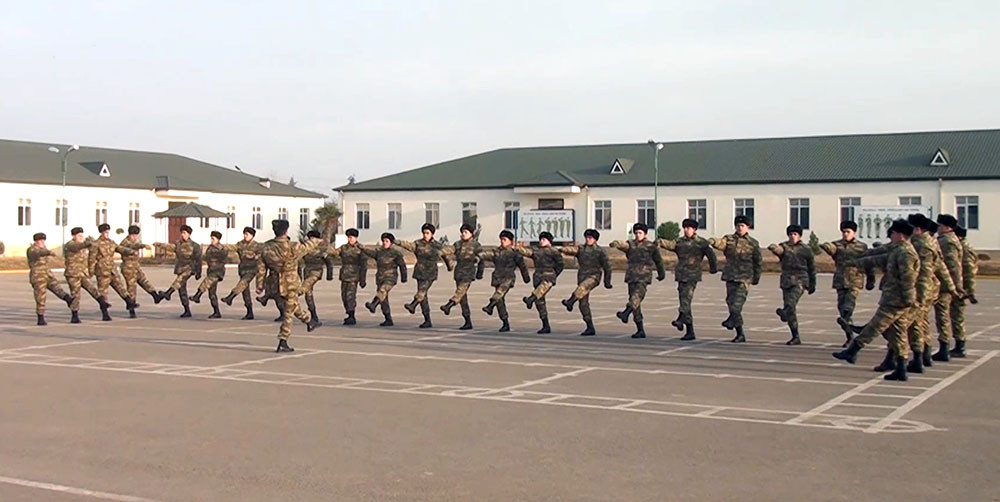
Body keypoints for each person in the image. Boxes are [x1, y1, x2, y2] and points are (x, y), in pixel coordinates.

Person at [833, 220, 919, 381]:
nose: (890, 236)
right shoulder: (898, 249)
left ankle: (853, 350)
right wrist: (857, 261)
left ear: (900, 234)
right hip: (895, 298)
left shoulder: (905, 253)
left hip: (896, 300)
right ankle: (901, 368)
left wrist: (908, 299)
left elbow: (908, 278)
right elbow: (879, 258)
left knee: (875, 326)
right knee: (898, 333)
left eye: (892, 233)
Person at [256, 220, 322, 352]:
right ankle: (283, 340)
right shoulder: (292, 246)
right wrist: (316, 241)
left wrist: (260, 284)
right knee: (288, 312)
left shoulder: (265, 247)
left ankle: (309, 321)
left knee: (291, 306)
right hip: (290, 282)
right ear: (286, 231)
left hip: (275, 283)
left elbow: (261, 268)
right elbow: (307, 247)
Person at [658, 219, 718, 340]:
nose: (686, 230)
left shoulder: (701, 242)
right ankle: (689, 331)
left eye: (689, 228)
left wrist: (713, 268)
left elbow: (711, 255)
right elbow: (671, 245)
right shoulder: (680, 242)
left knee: (686, 299)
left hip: (692, 275)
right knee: (684, 302)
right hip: (681, 275)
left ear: (694, 229)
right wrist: (660, 241)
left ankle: (681, 319)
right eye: (685, 228)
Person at [710, 215, 763, 343]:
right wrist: (713, 241)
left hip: (744, 278)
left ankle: (732, 322)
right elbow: (721, 244)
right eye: (738, 226)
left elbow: (758, 261)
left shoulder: (753, 243)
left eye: (742, 226)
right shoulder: (729, 239)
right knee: (730, 302)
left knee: (737, 304)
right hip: (731, 276)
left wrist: (756, 277)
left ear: (748, 227)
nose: (740, 228)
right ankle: (740, 334)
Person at [822, 221, 876, 345]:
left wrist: (871, 280)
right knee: (841, 309)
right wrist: (825, 246)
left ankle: (848, 322)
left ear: (854, 232)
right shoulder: (837, 245)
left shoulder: (861, 247)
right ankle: (850, 335)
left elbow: (868, 264)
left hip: (855, 279)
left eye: (848, 232)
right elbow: (829, 248)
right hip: (841, 280)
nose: (845, 234)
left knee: (849, 304)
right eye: (844, 232)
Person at [610, 223, 666, 339]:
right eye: (636, 233)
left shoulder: (651, 246)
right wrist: (616, 243)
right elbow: (623, 245)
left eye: (640, 233)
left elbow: (659, 261)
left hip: (643, 277)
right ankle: (640, 329)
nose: (637, 235)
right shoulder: (631, 244)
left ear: (645, 234)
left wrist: (661, 274)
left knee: (636, 297)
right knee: (636, 303)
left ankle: (625, 312)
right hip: (631, 276)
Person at [767, 224, 816, 345]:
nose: (792, 236)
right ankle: (795, 336)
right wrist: (773, 248)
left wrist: (812, 284)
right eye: (790, 234)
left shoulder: (806, 249)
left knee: (791, 302)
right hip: (787, 281)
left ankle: (785, 312)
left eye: (795, 234)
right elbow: (779, 251)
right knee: (791, 310)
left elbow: (812, 268)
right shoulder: (784, 247)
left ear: (799, 236)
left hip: (800, 280)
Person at [558, 229, 612, 336]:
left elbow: (608, 267)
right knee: (583, 303)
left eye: (590, 238)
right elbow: (571, 250)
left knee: (582, 287)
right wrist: (561, 249)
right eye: (587, 237)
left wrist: (607, 282)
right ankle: (590, 327)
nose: (588, 239)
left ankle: (570, 301)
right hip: (582, 276)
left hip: (594, 277)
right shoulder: (581, 249)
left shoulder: (600, 251)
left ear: (595, 239)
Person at [397, 223, 452, 329]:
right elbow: (408, 245)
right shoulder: (418, 243)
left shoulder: (437, 245)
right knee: (423, 297)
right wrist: (398, 242)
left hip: (430, 273)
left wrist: (449, 266)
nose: (425, 235)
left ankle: (413, 304)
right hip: (420, 272)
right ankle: (427, 320)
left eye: (427, 233)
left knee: (421, 292)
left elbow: (445, 256)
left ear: (432, 234)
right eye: (424, 233)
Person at [479, 230, 531, 332]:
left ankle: (490, 306)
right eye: (501, 239)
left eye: (504, 239)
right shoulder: (496, 252)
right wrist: (477, 256)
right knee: (500, 301)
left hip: (508, 278)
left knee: (499, 293)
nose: (502, 241)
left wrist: (526, 278)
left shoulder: (514, 253)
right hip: (498, 278)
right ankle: (505, 322)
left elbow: (522, 266)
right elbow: (486, 255)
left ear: (510, 241)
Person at [515, 231, 565, 334]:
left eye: (544, 239)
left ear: (549, 241)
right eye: (540, 239)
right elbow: (528, 253)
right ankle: (545, 325)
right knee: (540, 302)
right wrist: (517, 248)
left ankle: (530, 299)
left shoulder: (554, 251)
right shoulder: (536, 250)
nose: (541, 241)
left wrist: (554, 274)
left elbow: (560, 265)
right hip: (538, 276)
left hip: (548, 276)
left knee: (541, 289)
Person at [933, 214, 967, 361]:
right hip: (950, 284)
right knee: (953, 316)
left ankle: (945, 347)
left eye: (940, 226)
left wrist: (955, 287)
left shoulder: (947, 242)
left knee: (943, 316)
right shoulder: (950, 239)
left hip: (946, 285)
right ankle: (956, 345)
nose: (938, 228)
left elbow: (952, 266)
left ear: (947, 227)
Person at [440, 223, 484, 330]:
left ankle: (449, 305)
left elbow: (481, 259)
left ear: (471, 234)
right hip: (459, 272)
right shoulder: (458, 244)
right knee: (462, 298)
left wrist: (480, 273)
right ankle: (467, 321)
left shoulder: (476, 245)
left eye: (466, 232)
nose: (463, 234)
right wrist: (440, 252)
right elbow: (449, 250)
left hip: (468, 273)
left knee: (460, 291)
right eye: (462, 232)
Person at [89, 223, 136, 319]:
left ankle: (130, 304)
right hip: (102, 271)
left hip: (112, 270)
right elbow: (91, 259)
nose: (107, 234)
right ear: (101, 233)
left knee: (121, 288)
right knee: (103, 293)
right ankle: (105, 313)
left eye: (108, 232)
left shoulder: (111, 242)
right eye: (105, 232)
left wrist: (130, 251)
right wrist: (91, 271)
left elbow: (119, 248)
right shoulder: (96, 244)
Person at [361, 232, 408, 327]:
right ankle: (388, 318)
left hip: (390, 278)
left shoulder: (395, 253)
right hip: (380, 278)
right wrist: (361, 248)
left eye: (387, 241)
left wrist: (404, 277)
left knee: (382, 291)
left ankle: (373, 304)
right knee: (383, 299)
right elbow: (370, 252)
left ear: (391, 243)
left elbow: (402, 265)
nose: (384, 242)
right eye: (383, 241)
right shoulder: (379, 252)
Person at [27, 232, 73, 325]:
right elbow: (37, 253)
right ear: (36, 241)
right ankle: (40, 317)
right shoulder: (32, 250)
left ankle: (67, 299)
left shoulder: (44, 248)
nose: (42, 242)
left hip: (47, 275)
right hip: (38, 277)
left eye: (43, 240)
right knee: (41, 297)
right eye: (40, 240)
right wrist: (47, 252)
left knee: (58, 288)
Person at [156, 225, 202, 318]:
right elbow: (170, 247)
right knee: (181, 289)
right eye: (182, 233)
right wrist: (159, 244)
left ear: (189, 234)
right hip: (180, 268)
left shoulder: (195, 246)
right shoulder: (178, 243)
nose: (183, 235)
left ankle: (168, 293)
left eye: (185, 233)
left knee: (180, 280)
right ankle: (187, 310)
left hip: (189, 268)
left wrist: (198, 272)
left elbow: (199, 259)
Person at [63, 227, 107, 323]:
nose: (81, 237)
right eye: (79, 236)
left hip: (83, 273)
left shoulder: (83, 247)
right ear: (74, 236)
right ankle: (74, 315)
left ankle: (103, 304)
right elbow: (77, 247)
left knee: (93, 289)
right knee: (75, 295)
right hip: (73, 274)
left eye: (82, 236)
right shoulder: (70, 245)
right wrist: (86, 243)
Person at [221, 227, 262, 320]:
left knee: (243, 283)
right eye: (244, 234)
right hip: (243, 269)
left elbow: (261, 255)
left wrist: (254, 256)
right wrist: (222, 246)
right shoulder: (241, 244)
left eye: (247, 234)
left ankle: (230, 297)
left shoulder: (256, 246)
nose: (245, 236)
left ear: (252, 235)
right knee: (244, 291)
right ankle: (249, 312)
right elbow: (233, 247)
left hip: (252, 270)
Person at [297, 230, 336, 324]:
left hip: (316, 272)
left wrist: (329, 275)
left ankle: (296, 294)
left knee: (304, 288)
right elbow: (298, 260)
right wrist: (298, 275)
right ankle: (314, 315)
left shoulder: (322, 247)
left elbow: (329, 261)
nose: (311, 240)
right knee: (308, 295)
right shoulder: (305, 248)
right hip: (307, 272)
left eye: (313, 238)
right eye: (310, 238)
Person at [119, 225, 161, 309]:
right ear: (129, 234)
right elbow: (133, 246)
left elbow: (135, 244)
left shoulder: (134, 241)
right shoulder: (125, 242)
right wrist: (143, 246)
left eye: (135, 235)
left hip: (136, 267)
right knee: (131, 288)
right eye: (133, 235)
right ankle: (131, 308)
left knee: (144, 281)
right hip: (128, 268)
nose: (134, 237)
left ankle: (155, 296)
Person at [190, 230, 228, 319]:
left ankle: (197, 295)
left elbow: (224, 259)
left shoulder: (222, 248)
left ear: (218, 239)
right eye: (211, 239)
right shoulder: (210, 248)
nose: (212, 240)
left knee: (206, 282)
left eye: (213, 239)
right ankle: (216, 312)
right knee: (212, 293)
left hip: (218, 272)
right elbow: (205, 257)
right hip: (211, 271)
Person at [336, 228, 368, 325]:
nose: (350, 239)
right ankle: (348, 312)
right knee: (344, 296)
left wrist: (363, 279)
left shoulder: (360, 248)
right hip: (344, 275)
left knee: (350, 296)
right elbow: (334, 252)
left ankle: (351, 315)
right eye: (348, 237)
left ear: (356, 237)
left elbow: (364, 265)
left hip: (354, 276)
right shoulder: (344, 248)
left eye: (351, 237)